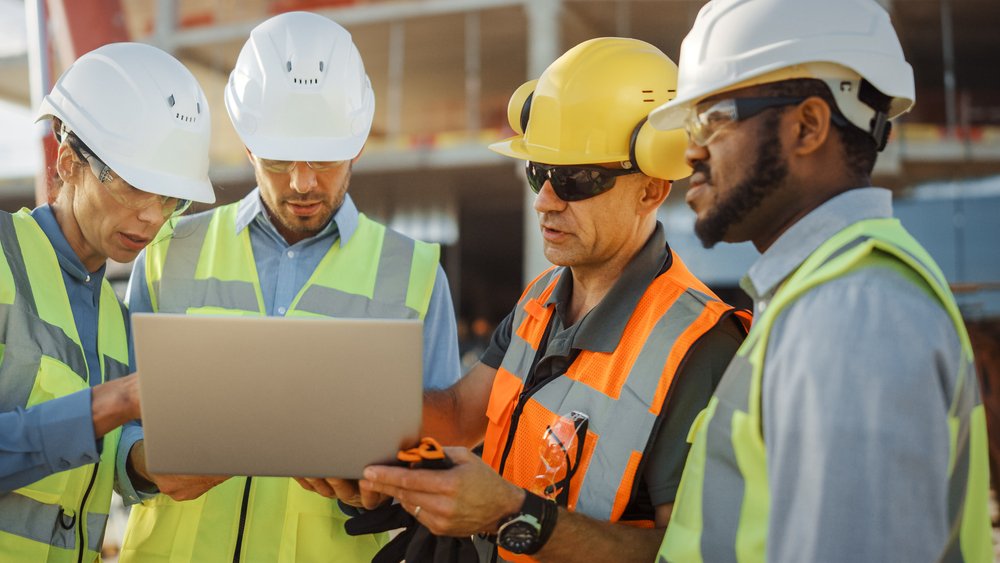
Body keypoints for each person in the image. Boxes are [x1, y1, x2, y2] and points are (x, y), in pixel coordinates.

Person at [352, 38, 750, 563]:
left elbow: (693, 553)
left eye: (575, 180)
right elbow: (459, 417)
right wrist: (349, 425)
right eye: (537, 172)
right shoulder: (540, 297)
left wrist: (507, 517)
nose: (544, 200)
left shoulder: (699, 348)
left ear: (651, 190)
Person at [644, 0, 993, 561]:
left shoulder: (853, 315)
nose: (691, 151)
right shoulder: (828, 295)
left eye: (714, 118)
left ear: (807, 126)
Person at [116, 11, 462, 563]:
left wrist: (387, 488)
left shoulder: (415, 275)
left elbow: (445, 451)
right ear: (248, 146)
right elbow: (109, 426)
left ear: (357, 144)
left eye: (324, 159)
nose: (302, 182)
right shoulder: (168, 252)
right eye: (278, 160)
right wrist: (142, 466)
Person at [0, 42, 214, 561]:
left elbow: (102, 460)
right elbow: (97, 415)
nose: (152, 217)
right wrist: (115, 402)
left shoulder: (116, 319)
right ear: (68, 162)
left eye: (171, 198)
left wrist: (152, 464)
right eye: (135, 187)